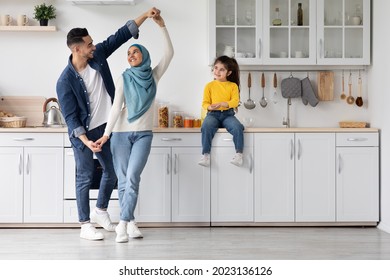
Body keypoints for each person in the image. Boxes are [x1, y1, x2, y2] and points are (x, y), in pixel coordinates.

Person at [56, 7, 161, 241]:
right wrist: (85, 140)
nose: (94, 46)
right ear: (77, 49)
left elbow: (121, 34)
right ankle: (85, 224)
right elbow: (71, 118)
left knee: (113, 172)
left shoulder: (98, 56)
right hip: (82, 132)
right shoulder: (64, 81)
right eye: (89, 44)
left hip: (106, 127)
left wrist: (145, 15)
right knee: (83, 176)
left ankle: (101, 210)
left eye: (93, 42)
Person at [95, 14, 174, 243]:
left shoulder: (153, 76)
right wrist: (106, 134)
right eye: (128, 53)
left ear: (144, 56)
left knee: (132, 177)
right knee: (123, 179)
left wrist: (162, 27)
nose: (131, 55)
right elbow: (115, 108)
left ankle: (122, 224)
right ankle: (130, 223)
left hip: (143, 134)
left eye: (135, 51)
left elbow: (169, 54)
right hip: (119, 133)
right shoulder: (123, 78)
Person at [198, 55, 244, 167]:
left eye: (222, 69)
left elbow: (235, 101)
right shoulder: (209, 86)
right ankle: (206, 155)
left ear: (228, 73)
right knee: (206, 127)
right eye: (216, 67)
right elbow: (205, 103)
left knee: (238, 127)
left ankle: (239, 155)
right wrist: (210, 107)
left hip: (228, 115)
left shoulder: (233, 86)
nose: (217, 71)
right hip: (213, 115)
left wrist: (224, 104)